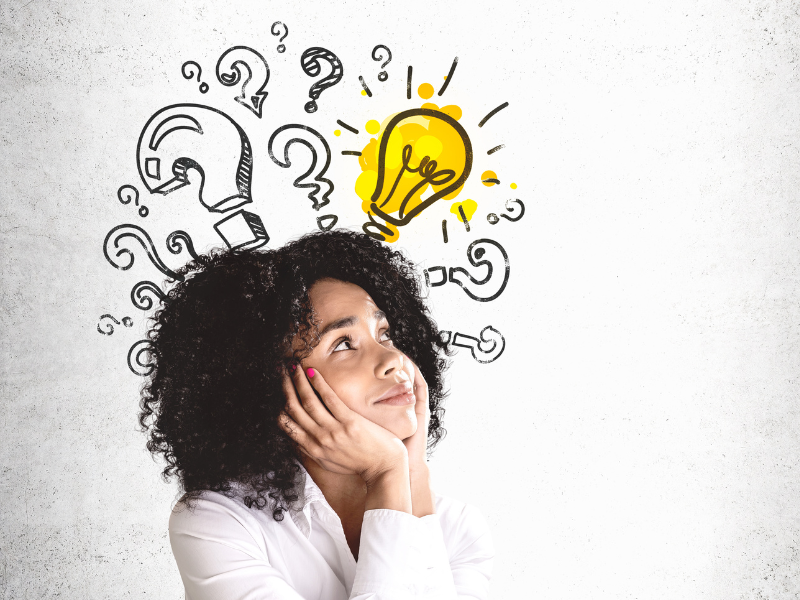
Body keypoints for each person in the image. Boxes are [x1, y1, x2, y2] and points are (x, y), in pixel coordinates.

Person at [139, 230, 494, 599]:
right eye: (343, 344)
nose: (393, 360)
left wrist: (411, 473)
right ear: (269, 384)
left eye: (385, 334)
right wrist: (387, 473)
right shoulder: (216, 525)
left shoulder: (459, 530)